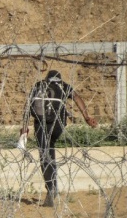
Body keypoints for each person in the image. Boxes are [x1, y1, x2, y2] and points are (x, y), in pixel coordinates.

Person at [21, 70, 98, 207]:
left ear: (47, 78)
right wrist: (87, 117)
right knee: (50, 148)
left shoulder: (39, 85)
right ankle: (53, 184)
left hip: (41, 124)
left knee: (45, 155)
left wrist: (24, 128)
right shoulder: (64, 86)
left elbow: (28, 107)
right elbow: (77, 98)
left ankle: (51, 188)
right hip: (58, 124)